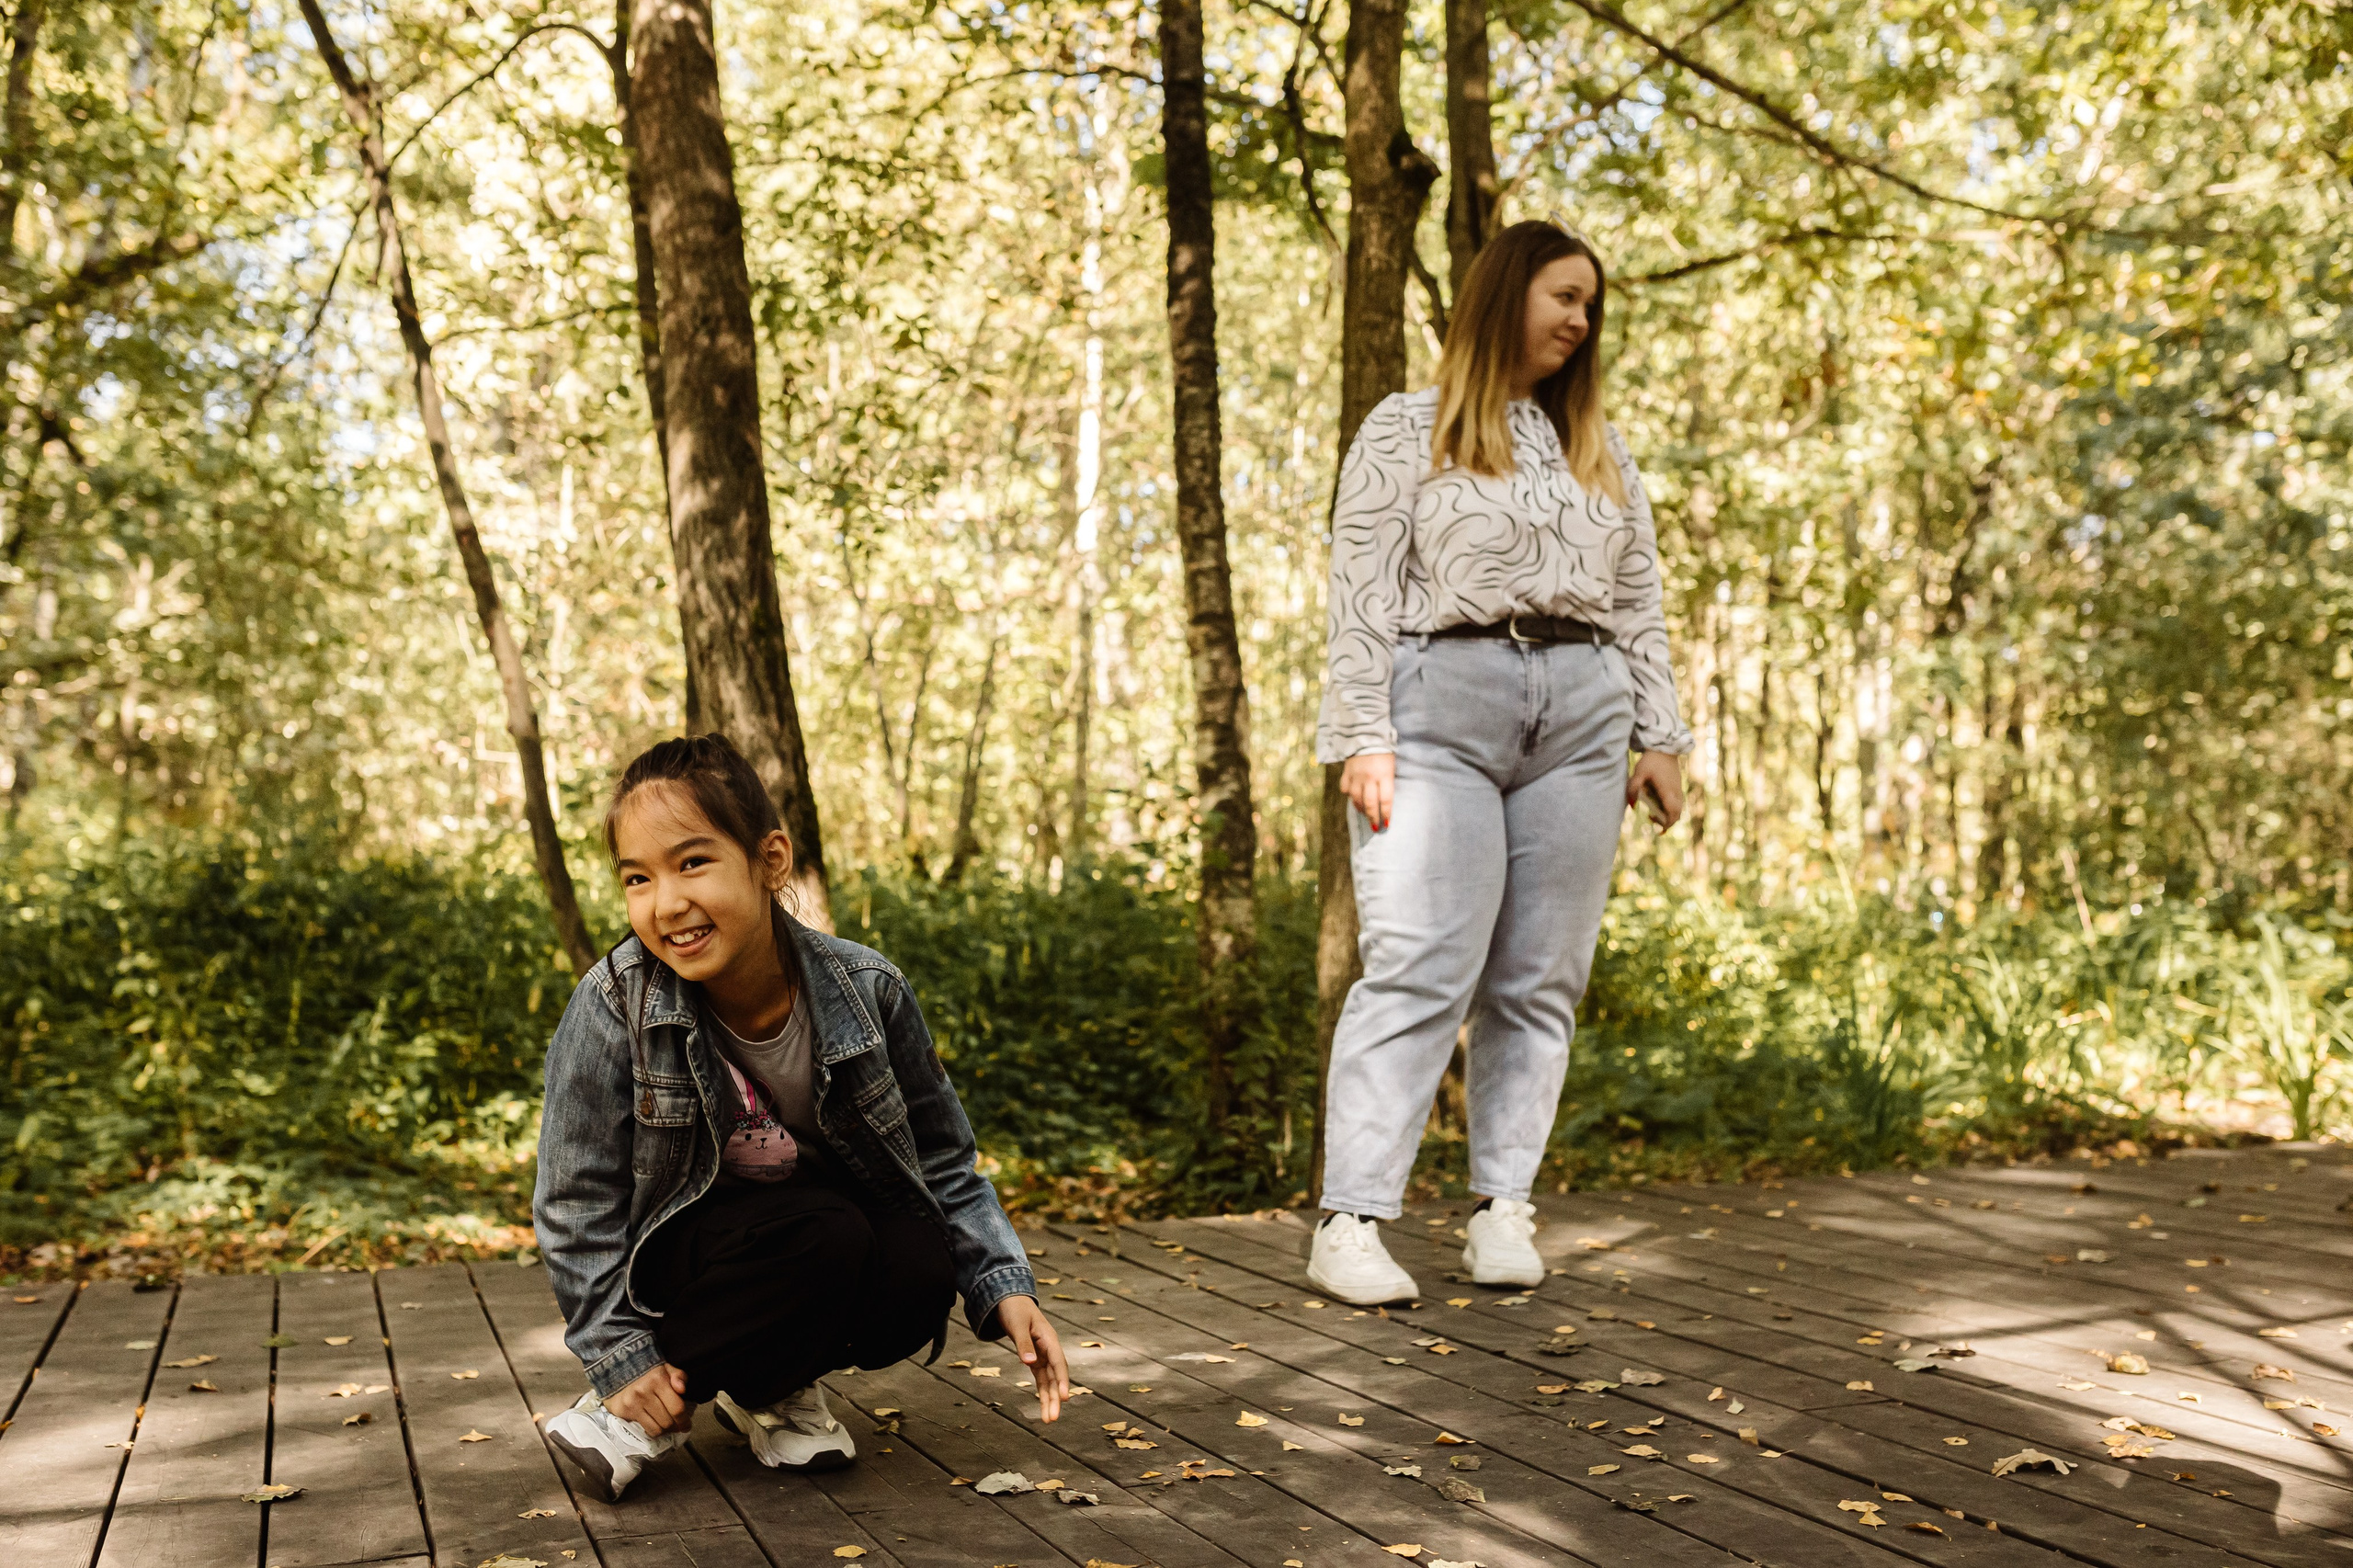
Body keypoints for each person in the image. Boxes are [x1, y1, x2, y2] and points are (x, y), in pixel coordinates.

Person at [1309, 221, 1693, 1305]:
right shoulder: (1405, 427)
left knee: (1539, 975)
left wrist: (1663, 734)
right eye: (1564, 296)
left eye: (1590, 305)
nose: (1581, 319)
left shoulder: (1598, 449)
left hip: (1584, 716)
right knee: (1420, 961)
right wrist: (1362, 733)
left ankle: (1501, 1208)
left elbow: (1639, 597)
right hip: (1441, 707)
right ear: (1505, 294)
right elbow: (1360, 590)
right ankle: (1350, 1219)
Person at [532, 734, 1070, 1501]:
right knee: (825, 1234)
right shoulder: (616, 1003)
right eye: (637, 878)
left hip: (810, 1242)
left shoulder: (868, 991)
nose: (667, 903)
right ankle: (627, 1412)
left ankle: (769, 1382)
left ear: (771, 860)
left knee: (919, 1266)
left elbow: (942, 1160)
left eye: (693, 862)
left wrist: (1004, 1285)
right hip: (685, 1259)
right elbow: (574, 1198)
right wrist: (619, 1355)